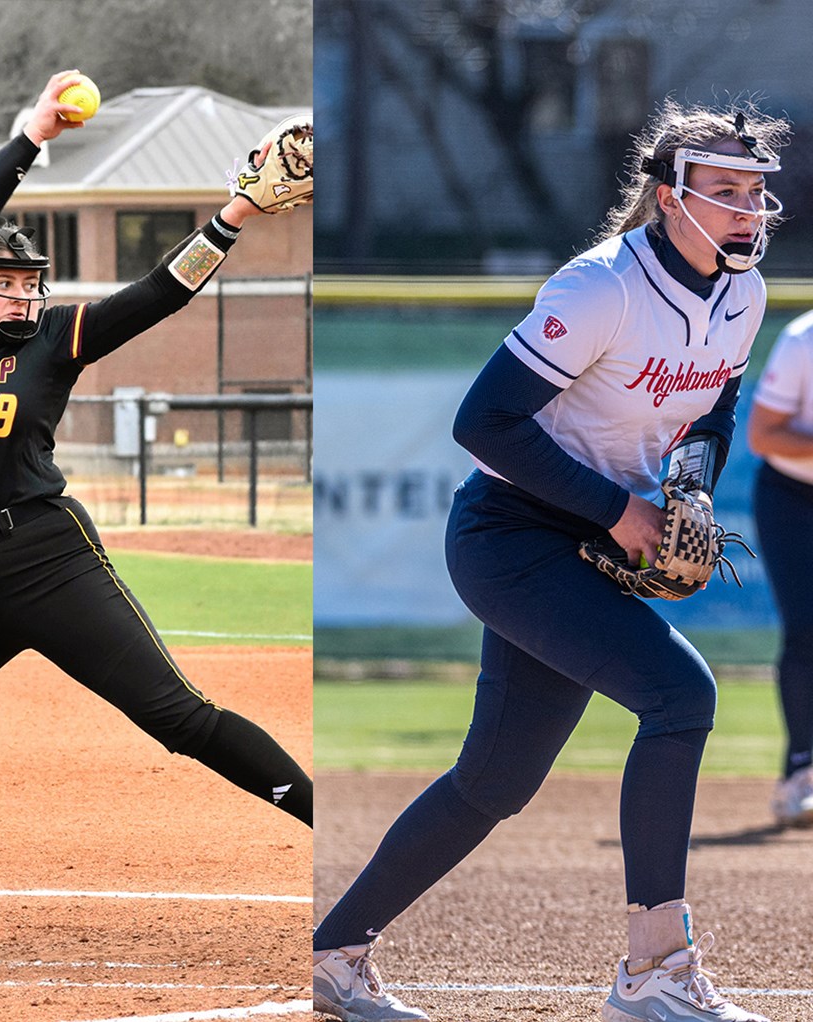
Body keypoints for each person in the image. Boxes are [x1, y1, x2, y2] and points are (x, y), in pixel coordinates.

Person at [311, 101, 787, 1022]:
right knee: (681, 696)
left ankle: (333, 955)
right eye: (722, 191)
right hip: (512, 538)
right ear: (667, 197)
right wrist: (620, 510)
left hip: (591, 544)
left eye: (756, 193)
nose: (745, 210)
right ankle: (653, 974)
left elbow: (714, 414)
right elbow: (482, 423)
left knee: (495, 782)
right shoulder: (601, 286)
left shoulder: (745, 294)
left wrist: (689, 480)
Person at [0, 70, 314, 965]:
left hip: (43, 561)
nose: (25, 295)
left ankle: (336, 836)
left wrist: (235, 216)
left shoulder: (55, 341)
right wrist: (30, 139)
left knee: (179, 719)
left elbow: (160, 292)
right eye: (7, 282)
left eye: (32, 282)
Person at [749, 308, 813, 828]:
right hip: (794, 498)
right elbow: (763, 435)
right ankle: (800, 773)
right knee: (806, 631)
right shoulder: (803, 338)